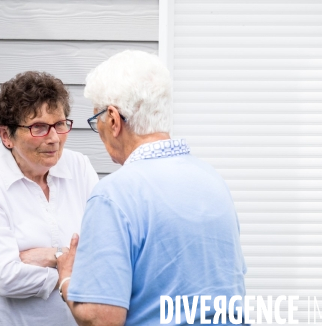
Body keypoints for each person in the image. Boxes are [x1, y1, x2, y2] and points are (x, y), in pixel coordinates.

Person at [56, 50, 247, 325]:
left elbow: (101, 318)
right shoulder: (212, 180)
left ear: (113, 119)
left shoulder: (113, 195)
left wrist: (67, 278)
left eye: (96, 119)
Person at [0, 71, 99, 326]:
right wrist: (66, 264)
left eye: (60, 124)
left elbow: (102, 252)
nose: (53, 139)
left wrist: (49, 256)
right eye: (38, 127)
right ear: (6, 136)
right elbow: (4, 277)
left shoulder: (79, 167)